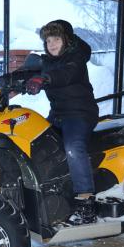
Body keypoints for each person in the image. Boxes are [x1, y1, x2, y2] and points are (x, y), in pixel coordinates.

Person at [25, 20, 100, 224]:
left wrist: (45, 79)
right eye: (48, 40)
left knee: (73, 148)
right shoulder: (48, 61)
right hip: (58, 114)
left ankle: (86, 203)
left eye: (56, 39)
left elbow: (65, 74)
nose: (52, 44)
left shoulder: (75, 58)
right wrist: (4, 81)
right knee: (38, 143)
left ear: (66, 39)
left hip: (80, 114)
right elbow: (30, 73)